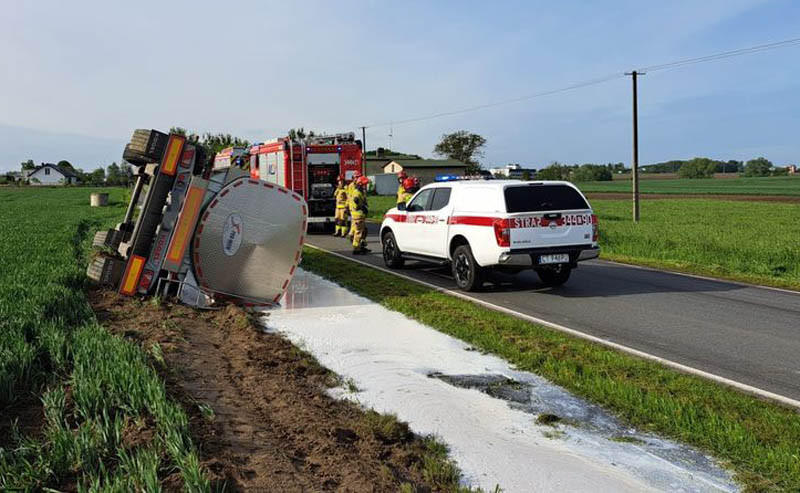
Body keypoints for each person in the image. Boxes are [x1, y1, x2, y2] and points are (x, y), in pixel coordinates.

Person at [350, 175, 370, 254]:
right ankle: (356, 249)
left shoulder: (360, 192)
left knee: (363, 231)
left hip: (359, 215)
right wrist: (361, 207)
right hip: (358, 215)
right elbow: (356, 202)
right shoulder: (357, 193)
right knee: (358, 232)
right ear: (361, 184)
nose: (365, 186)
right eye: (365, 185)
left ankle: (360, 246)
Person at [346, 171, 362, 241]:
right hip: (354, 207)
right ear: (353, 178)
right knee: (356, 224)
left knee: (354, 223)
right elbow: (351, 197)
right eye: (356, 177)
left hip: (355, 207)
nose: (357, 179)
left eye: (358, 177)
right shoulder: (351, 186)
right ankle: (352, 236)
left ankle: (351, 235)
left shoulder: (359, 185)